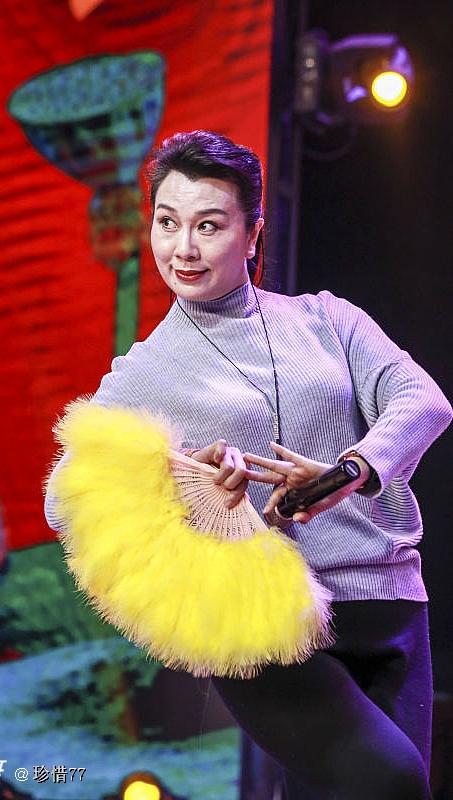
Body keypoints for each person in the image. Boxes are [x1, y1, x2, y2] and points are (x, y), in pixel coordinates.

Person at [45, 130, 452, 800]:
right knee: (393, 786)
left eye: (208, 225)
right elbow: (63, 499)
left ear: (253, 232)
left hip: (390, 600)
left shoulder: (326, 319)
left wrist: (348, 472)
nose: (183, 248)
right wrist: (183, 477)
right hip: (266, 621)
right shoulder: (146, 371)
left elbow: (423, 400)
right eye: (167, 223)